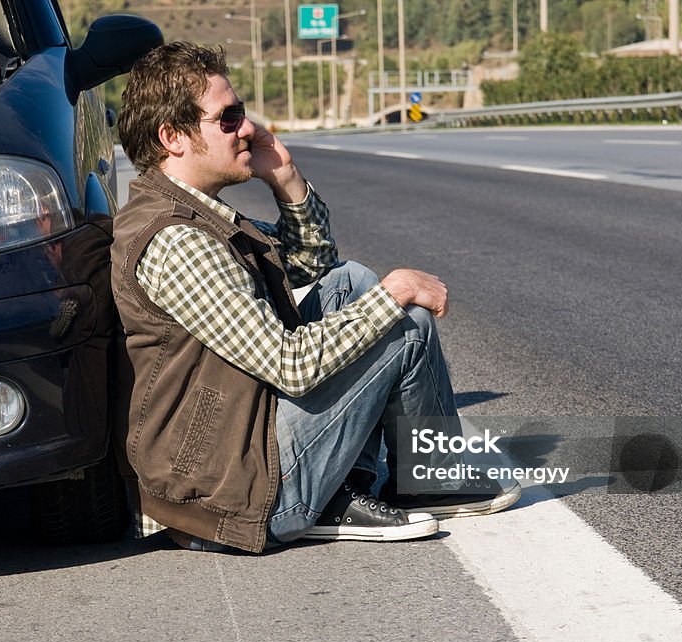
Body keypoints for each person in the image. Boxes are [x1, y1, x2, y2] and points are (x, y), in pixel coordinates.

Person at [111, 42, 520, 553]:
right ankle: (417, 481)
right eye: (228, 117)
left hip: (236, 447)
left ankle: (345, 487)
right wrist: (395, 294)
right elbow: (290, 364)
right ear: (172, 137)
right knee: (402, 324)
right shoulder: (177, 240)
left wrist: (284, 176)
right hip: (232, 495)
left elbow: (314, 265)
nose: (246, 128)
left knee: (352, 281)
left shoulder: (196, 215)